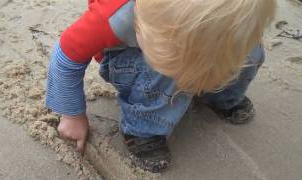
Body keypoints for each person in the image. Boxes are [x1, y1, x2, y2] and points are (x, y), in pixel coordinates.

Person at [46, 0, 276, 173]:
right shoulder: (115, 15)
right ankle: (143, 129)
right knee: (165, 72)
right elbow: (66, 58)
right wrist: (73, 115)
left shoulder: (240, 16)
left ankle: (222, 97)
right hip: (127, 57)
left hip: (197, 38)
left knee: (250, 52)